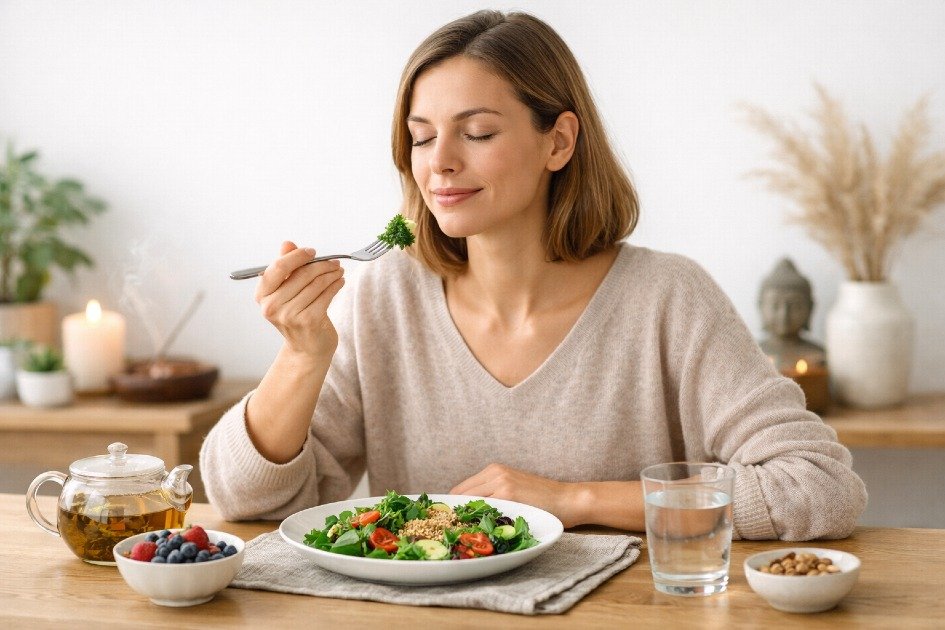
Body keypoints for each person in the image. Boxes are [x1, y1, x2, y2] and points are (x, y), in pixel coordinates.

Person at [201, 10, 866, 540]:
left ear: (559, 141)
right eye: (422, 135)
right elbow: (242, 502)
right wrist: (300, 356)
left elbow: (816, 488)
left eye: (478, 133)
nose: (439, 164)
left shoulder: (666, 299)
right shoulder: (384, 297)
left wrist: (572, 501)